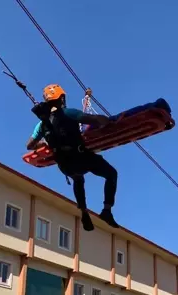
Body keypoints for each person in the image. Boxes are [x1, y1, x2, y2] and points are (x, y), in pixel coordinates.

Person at [27, 84, 119, 232]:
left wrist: (44, 142)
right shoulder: (69, 113)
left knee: (78, 178)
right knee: (111, 174)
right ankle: (107, 210)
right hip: (81, 158)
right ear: (62, 98)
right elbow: (95, 120)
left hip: (64, 165)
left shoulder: (41, 125)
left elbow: (30, 145)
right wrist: (108, 120)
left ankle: (83, 212)